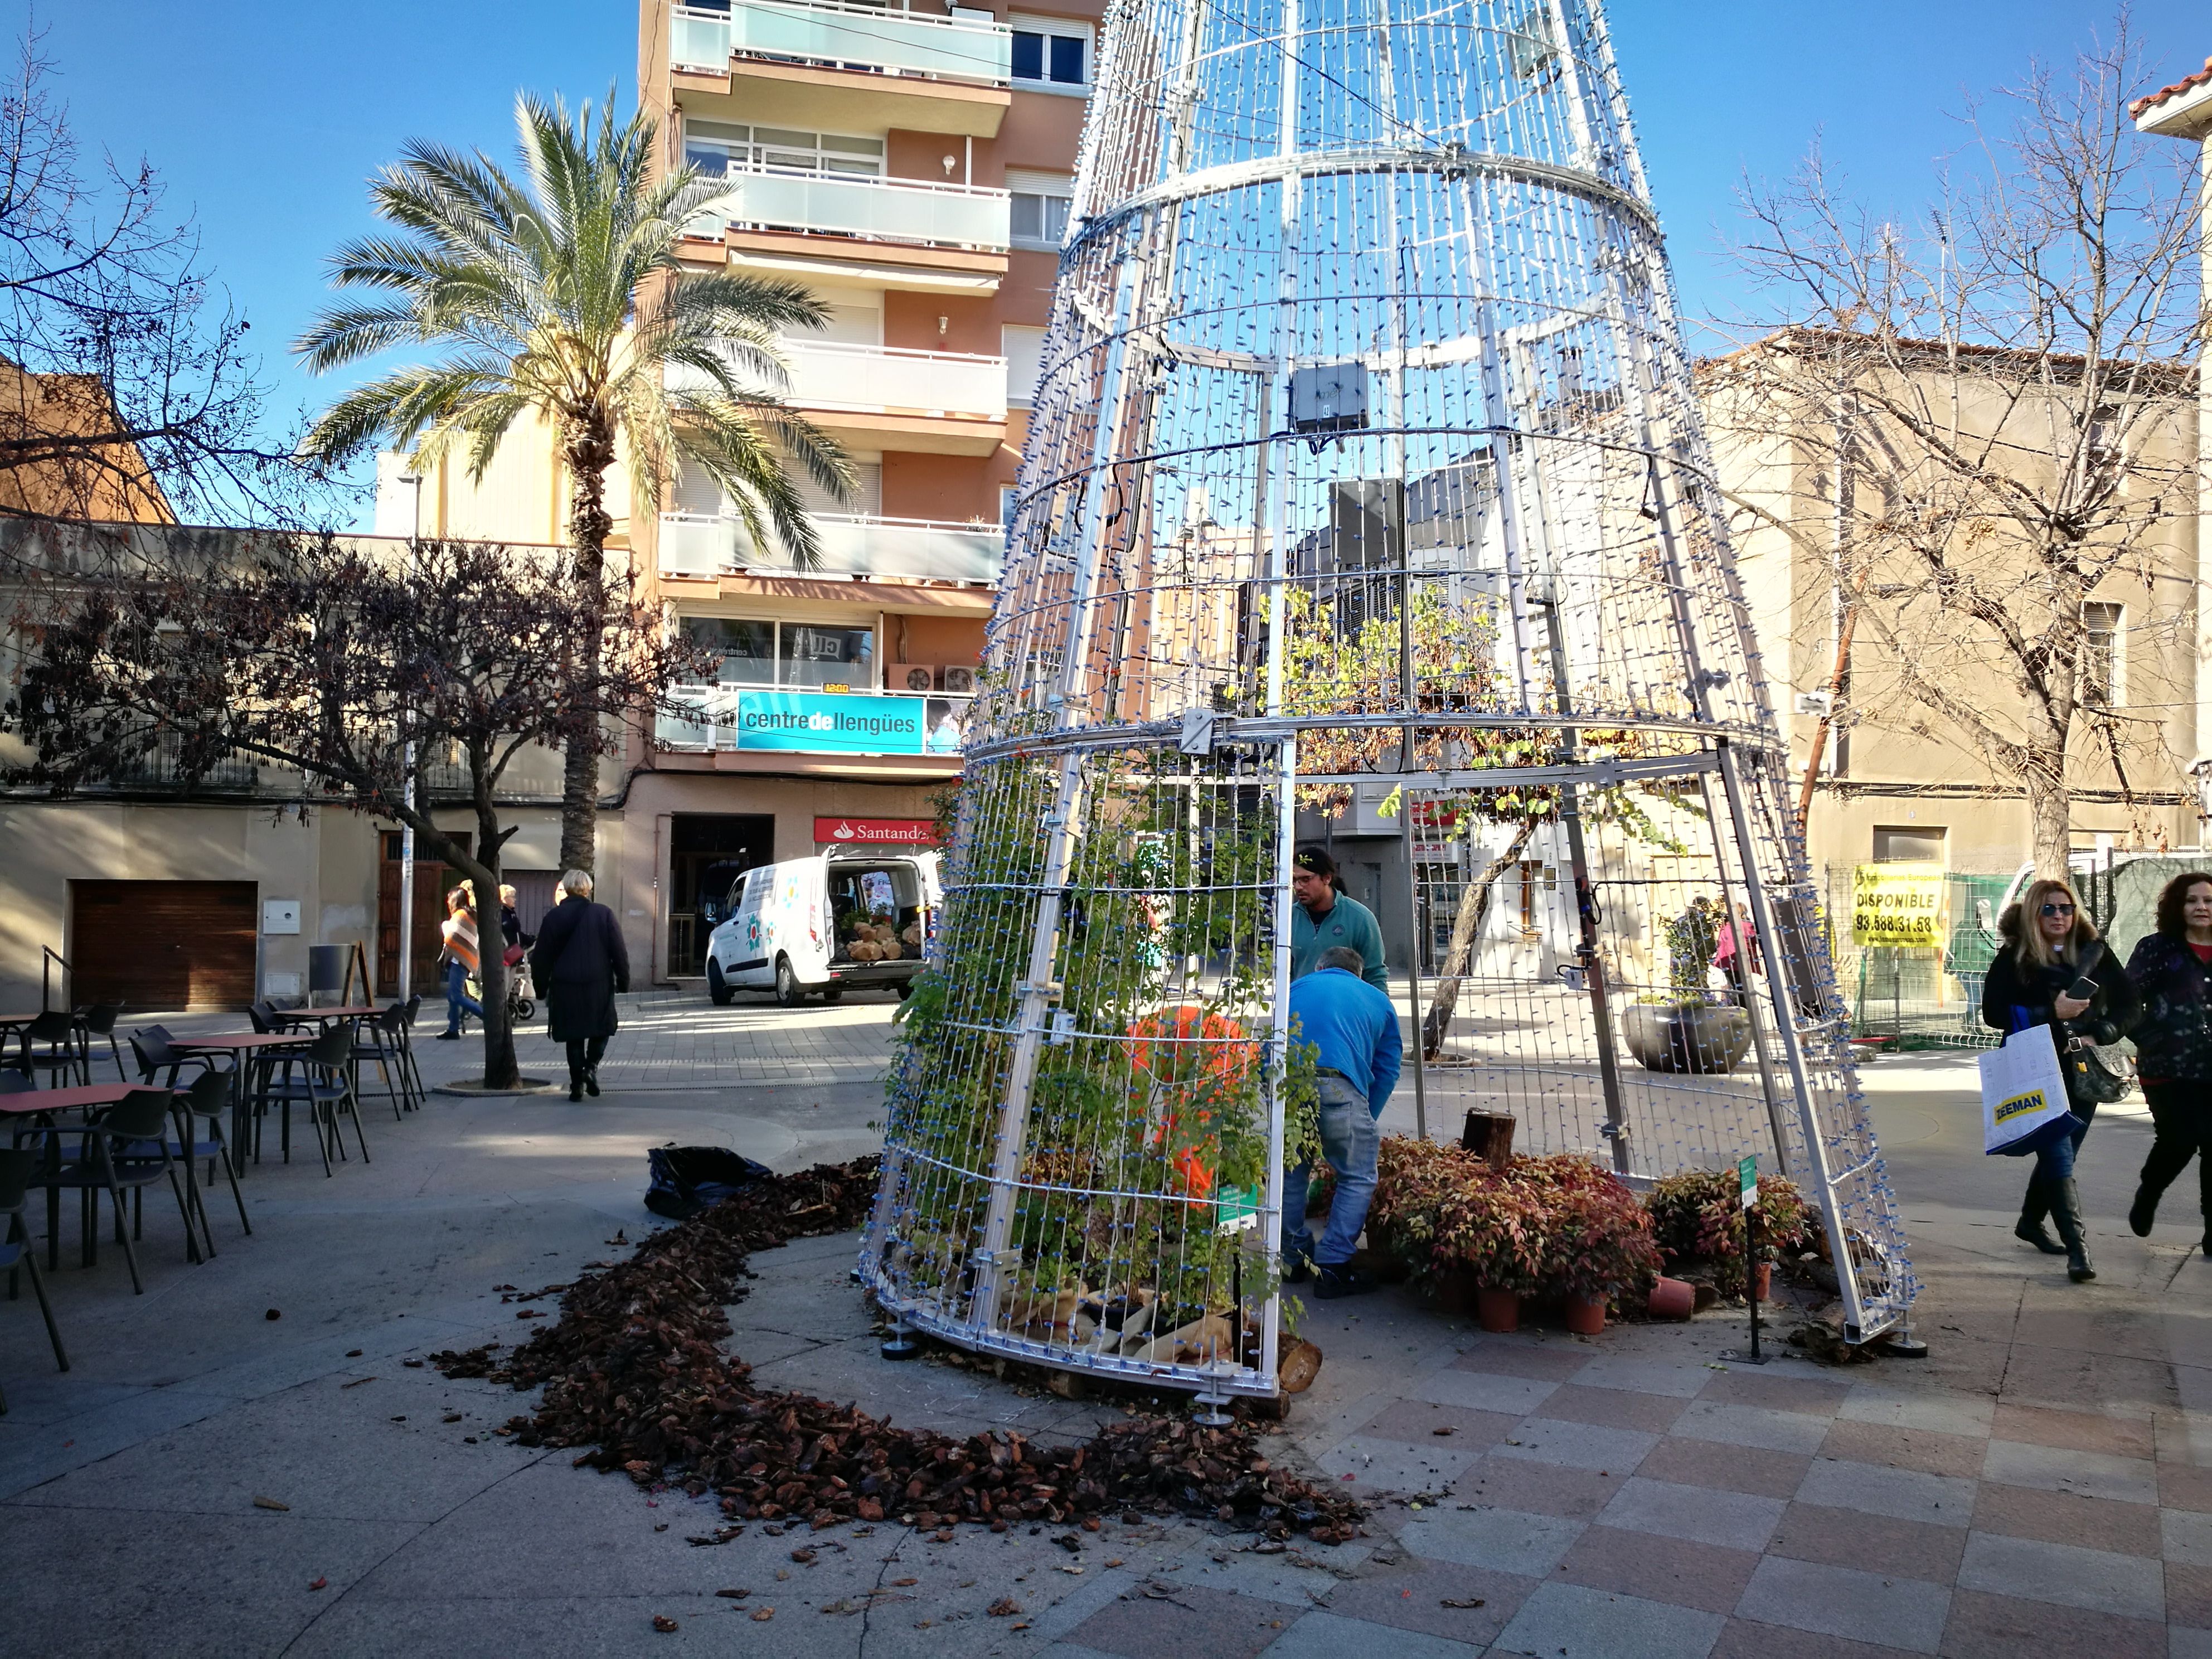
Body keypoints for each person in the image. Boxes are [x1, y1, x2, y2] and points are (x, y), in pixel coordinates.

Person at [1981, 877, 2140, 1282]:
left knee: (2064, 1149)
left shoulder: (2095, 954)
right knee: (2058, 1155)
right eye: (2048, 909)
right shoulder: (2014, 956)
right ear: (2034, 913)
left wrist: (2098, 1033)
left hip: (2082, 1069)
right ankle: (2078, 1249)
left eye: (2065, 908)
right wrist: (2052, 1010)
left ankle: (2030, 1222)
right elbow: (1994, 1013)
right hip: (2034, 1066)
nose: (2058, 915)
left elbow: (2131, 1005)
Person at [1282, 945, 1403, 1299]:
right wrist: (1366, 1112)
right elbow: (1387, 1068)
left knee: (1293, 1172)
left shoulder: (1295, 989)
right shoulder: (1377, 1000)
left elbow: (1267, 1046)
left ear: (1320, 967)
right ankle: (1334, 1267)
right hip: (1341, 1087)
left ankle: (1291, 1258)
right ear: (1359, 975)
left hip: (1291, 1086)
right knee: (1358, 1175)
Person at [2125, 871, 2212, 1254]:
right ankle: (2150, 1191)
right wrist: (2148, 1038)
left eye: (2209, 901)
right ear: (2178, 906)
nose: (2202, 908)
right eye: (2193, 900)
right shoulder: (2157, 949)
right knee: (2178, 1141)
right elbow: (2126, 999)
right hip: (2167, 1066)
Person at [531, 867, 630, 1102]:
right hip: (598, 982)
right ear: (588, 888)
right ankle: (591, 1067)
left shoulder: (553, 917)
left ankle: (576, 1086)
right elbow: (619, 951)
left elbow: (542, 957)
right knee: (603, 1027)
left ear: (566, 888)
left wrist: (540, 988)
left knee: (573, 1035)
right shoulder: (603, 914)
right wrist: (623, 981)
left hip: (565, 984)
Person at [1290, 847, 1389, 991]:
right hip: (1301, 1007)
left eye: (1306, 879)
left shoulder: (1360, 918)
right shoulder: (1290, 917)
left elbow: (1375, 974)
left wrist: (1382, 1009)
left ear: (1327, 878)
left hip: (1346, 1007)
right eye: (1294, 880)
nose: (1298, 887)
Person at [436, 886, 484, 1040]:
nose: (448, 901)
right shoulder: (469, 914)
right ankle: (453, 1029)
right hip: (462, 960)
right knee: (452, 996)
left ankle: (488, 1018)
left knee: (456, 996)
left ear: (455, 900)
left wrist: (445, 927)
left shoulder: (461, 915)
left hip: (459, 961)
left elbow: (451, 938)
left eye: (450, 898)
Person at [1714, 901, 1759, 1006]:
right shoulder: (1749, 926)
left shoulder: (1727, 927)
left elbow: (1720, 944)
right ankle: (1747, 1010)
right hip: (1743, 963)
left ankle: (1741, 1010)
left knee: (1735, 988)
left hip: (1728, 963)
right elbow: (1755, 940)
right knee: (1745, 988)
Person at [497, 884, 536, 953]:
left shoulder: (511, 914)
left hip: (515, 953)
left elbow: (517, 933)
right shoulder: (499, 914)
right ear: (504, 898)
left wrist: (532, 941)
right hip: (505, 954)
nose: (515, 899)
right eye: (513, 897)